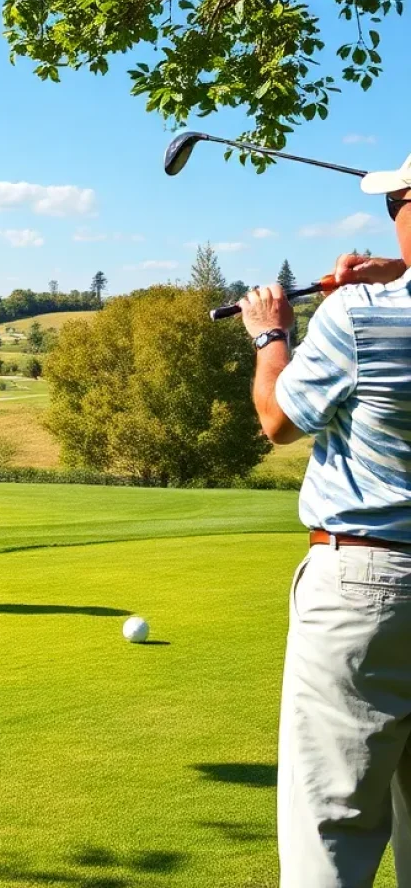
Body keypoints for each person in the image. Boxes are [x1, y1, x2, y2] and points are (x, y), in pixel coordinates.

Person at [240, 151, 411, 887]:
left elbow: (278, 419)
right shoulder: (376, 305)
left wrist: (271, 334)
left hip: (366, 585)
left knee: (331, 832)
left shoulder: (359, 315)